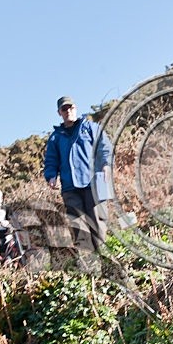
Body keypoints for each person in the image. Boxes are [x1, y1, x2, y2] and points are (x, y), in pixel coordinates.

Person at [43, 95, 113, 262]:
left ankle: (103, 255)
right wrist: (51, 176)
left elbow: (104, 148)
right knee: (78, 224)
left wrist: (106, 165)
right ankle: (87, 260)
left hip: (94, 182)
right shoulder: (56, 137)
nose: (68, 111)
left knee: (98, 220)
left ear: (76, 108)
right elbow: (51, 160)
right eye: (64, 109)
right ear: (59, 113)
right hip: (70, 187)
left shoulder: (91, 127)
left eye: (70, 108)